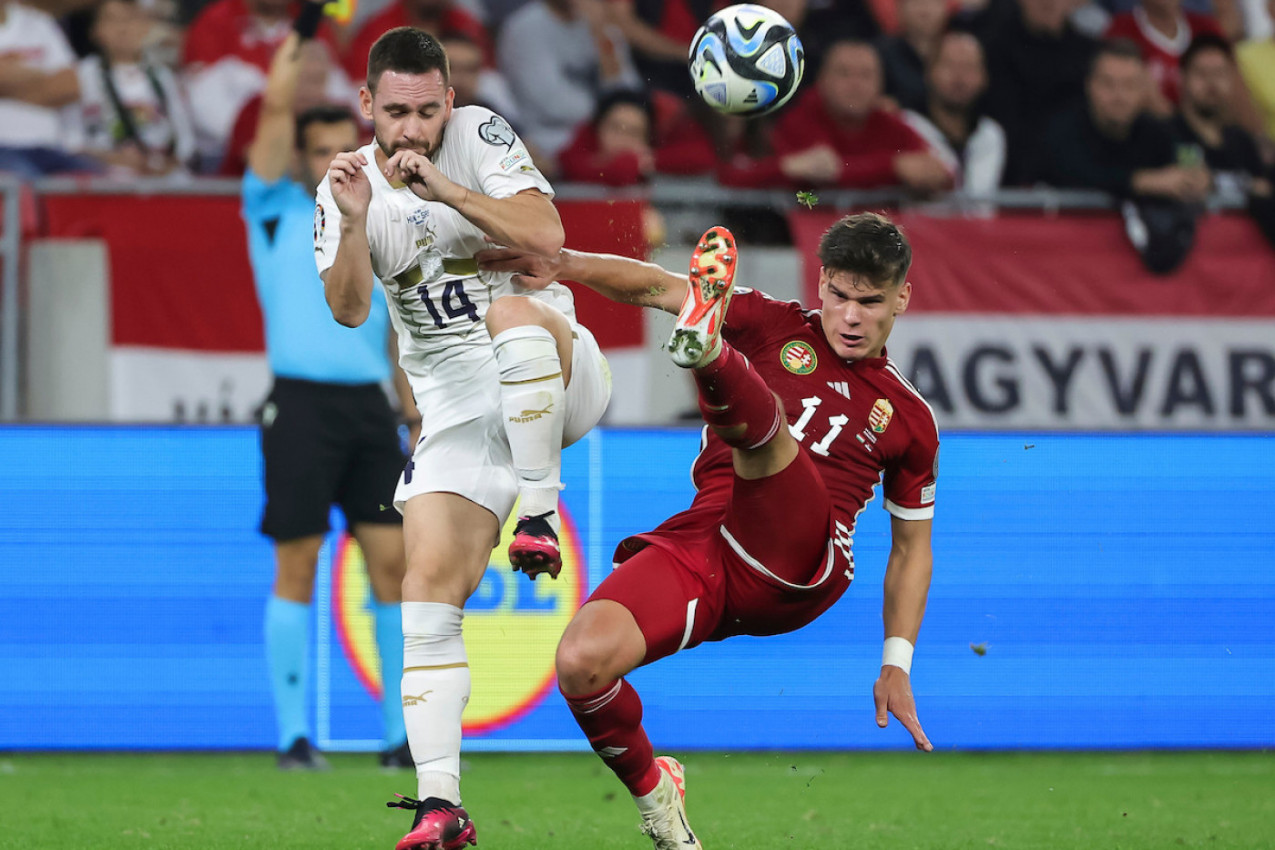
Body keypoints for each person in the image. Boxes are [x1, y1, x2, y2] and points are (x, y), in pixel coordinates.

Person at [477, 213, 939, 850]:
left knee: (768, 436)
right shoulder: (775, 322)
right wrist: (566, 265)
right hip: (709, 541)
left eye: (872, 303)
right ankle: (659, 799)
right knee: (582, 663)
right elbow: (653, 285)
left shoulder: (910, 417)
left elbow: (912, 550)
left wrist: (896, 663)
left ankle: (710, 354)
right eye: (840, 296)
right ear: (822, 282)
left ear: (902, 298)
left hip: (799, 565)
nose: (852, 316)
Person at [315, 27, 612, 848]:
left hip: (558, 375)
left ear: (449, 101)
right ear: (366, 104)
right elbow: (348, 309)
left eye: (427, 110)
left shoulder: (478, 134)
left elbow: (545, 237)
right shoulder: (344, 186)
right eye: (395, 112)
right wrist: (353, 223)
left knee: (511, 311)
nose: (411, 128)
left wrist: (444, 188)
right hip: (458, 412)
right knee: (425, 589)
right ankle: (440, 804)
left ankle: (539, 514)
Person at [244, 4, 418, 771]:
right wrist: (308, 25)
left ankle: (397, 737)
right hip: (300, 405)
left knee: (393, 568)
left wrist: (412, 410)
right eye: (318, 153)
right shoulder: (273, 211)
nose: (331, 165)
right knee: (299, 563)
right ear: (298, 160)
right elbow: (274, 106)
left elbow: (395, 330)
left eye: (341, 153)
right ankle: (292, 737)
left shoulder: (376, 221)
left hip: (368, 410)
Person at [1041, 39, 1209, 272]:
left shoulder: (1153, 128)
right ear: (1090, 85)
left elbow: (1186, 152)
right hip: (1063, 258)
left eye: (1130, 85)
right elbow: (1075, 172)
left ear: (1144, 89)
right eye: (1108, 84)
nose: (1119, 95)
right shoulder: (1062, 130)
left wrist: (1199, 175)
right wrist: (1143, 181)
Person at [719, 40, 953, 194]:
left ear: (881, 85)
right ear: (822, 80)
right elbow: (829, 172)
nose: (856, 84)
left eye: (866, 75)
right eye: (844, 73)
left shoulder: (887, 121)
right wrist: (894, 166)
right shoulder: (802, 118)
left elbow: (943, 174)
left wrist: (925, 172)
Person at [1172, 33, 1275, 246]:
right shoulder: (1166, 134)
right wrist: (1247, 186)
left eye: (1219, 73)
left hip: (1246, 258)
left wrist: (1213, 182)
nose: (1211, 83)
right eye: (1201, 73)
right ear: (1182, 77)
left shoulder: (1242, 140)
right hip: (1186, 254)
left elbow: (1264, 189)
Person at [75, 0, 197, 176]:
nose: (123, 28)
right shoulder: (82, 75)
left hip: (164, 176)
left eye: (132, 19)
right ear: (95, 30)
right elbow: (71, 139)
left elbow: (185, 139)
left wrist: (168, 163)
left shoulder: (163, 76)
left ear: (146, 27)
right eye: (113, 20)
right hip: (104, 176)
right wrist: (111, 158)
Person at [902, 30, 1007, 196]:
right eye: (949, 65)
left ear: (984, 77)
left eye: (969, 67)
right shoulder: (906, 126)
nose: (959, 77)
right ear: (929, 71)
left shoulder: (991, 134)